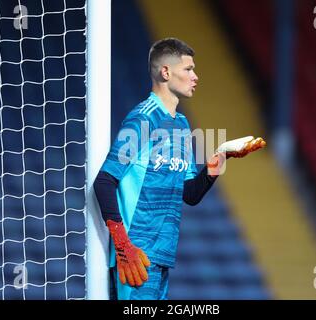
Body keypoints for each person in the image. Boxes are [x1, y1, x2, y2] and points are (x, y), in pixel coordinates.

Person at [94, 38, 265, 300]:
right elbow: (105, 181)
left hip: (161, 255)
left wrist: (222, 156)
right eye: (188, 69)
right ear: (165, 72)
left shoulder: (181, 125)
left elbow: (190, 193)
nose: (195, 77)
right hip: (136, 254)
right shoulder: (143, 118)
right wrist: (122, 244)